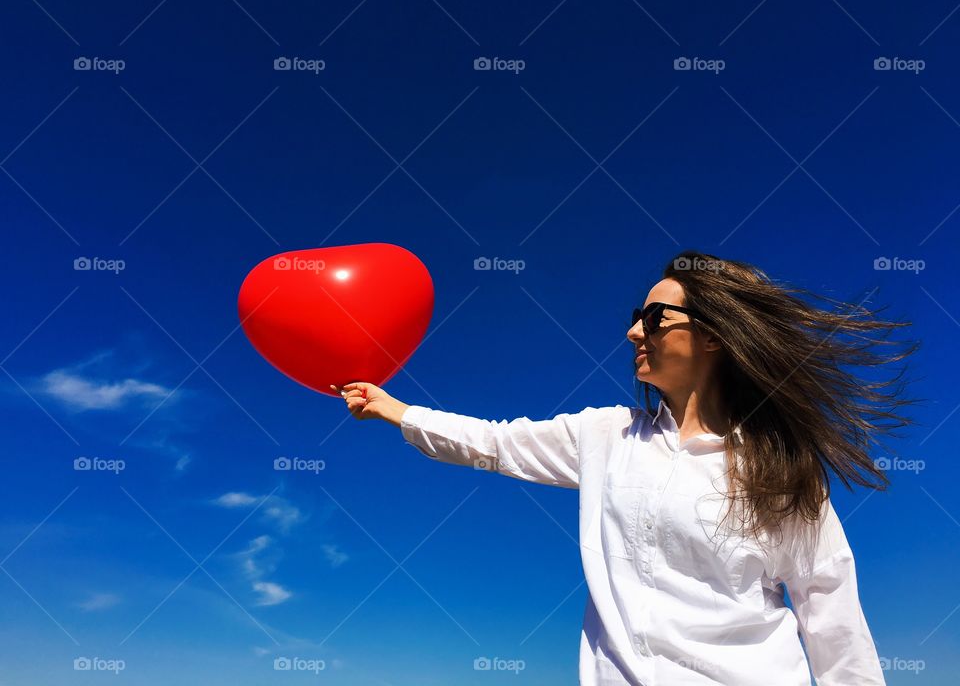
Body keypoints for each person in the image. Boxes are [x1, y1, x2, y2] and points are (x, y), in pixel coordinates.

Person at [332, 250, 918, 686]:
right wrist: (397, 410)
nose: (633, 330)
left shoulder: (779, 466)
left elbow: (830, 611)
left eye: (656, 317)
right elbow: (495, 443)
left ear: (714, 336)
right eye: (638, 316)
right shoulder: (606, 436)